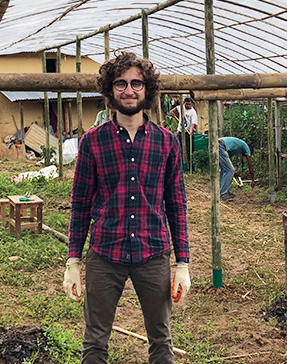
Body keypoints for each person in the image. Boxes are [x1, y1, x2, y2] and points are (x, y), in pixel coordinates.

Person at [63, 51, 190, 364]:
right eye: (121, 83)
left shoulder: (166, 142)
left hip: (153, 253)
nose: (129, 90)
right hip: (105, 253)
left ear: (147, 90)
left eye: (136, 83)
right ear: (110, 90)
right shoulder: (93, 142)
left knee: (161, 340)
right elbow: (80, 204)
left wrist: (183, 263)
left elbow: (176, 203)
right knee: (94, 341)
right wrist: (73, 262)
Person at [169, 97, 197, 166]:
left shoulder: (193, 112)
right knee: (179, 149)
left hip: (188, 133)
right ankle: (180, 167)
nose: (188, 106)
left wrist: (190, 130)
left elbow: (193, 123)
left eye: (190, 104)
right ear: (184, 103)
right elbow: (172, 110)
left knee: (190, 151)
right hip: (180, 132)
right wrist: (172, 113)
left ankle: (191, 167)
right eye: (187, 104)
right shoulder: (181, 108)